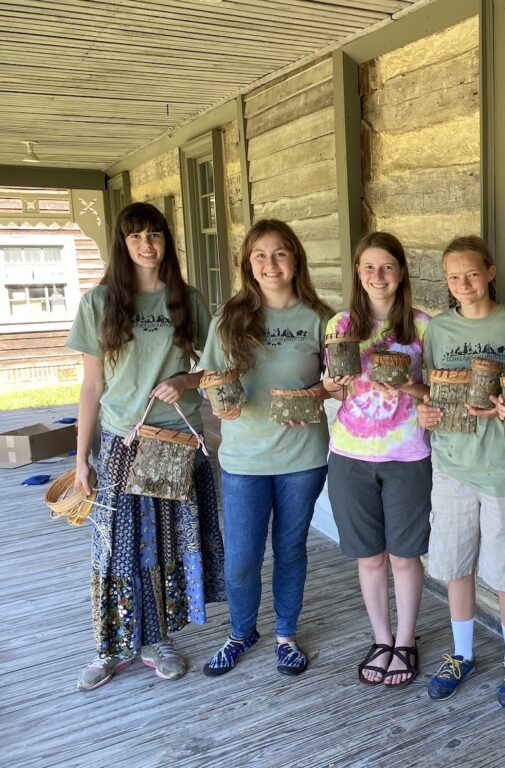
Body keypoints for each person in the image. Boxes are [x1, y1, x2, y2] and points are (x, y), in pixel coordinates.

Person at [66, 202, 224, 690]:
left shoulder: (187, 299)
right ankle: (110, 645)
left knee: (166, 544)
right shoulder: (100, 303)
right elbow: (91, 386)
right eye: (136, 237)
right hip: (122, 440)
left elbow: (213, 368)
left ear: (166, 240)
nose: (146, 244)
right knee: (113, 546)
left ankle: (159, 640)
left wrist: (186, 379)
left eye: (154, 234)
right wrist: (81, 460)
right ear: (123, 243)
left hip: (175, 442)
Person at [199, 219, 333, 678]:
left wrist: (320, 392)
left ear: (295, 259)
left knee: (291, 547)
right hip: (244, 458)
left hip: (303, 456)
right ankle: (240, 632)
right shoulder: (229, 318)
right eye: (260, 254)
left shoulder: (321, 318)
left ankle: (285, 634)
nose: (270, 263)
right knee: (242, 555)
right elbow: (209, 380)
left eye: (279, 253)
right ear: (248, 264)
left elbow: (339, 382)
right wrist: (218, 402)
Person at [417, 235, 505, 706]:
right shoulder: (439, 331)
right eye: (453, 276)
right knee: (454, 563)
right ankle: (461, 654)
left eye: (471, 273)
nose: (463, 284)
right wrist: (424, 414)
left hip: (503, 466)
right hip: (451, 465)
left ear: (490, 272)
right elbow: (431, 393)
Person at [323, 231, 431, 688]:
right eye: (368, 266)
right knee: (370, 557)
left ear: (401, 272)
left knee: (404, 558)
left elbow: (437, 393)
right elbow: (333, 384)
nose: (377, 275)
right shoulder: (339, 325)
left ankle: (406, 641)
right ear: (357, 273)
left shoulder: (424, 326)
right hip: (349, 454)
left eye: (387, 266)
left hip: (407, 454)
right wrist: (328, 385)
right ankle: (381, 638)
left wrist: (407, 386)